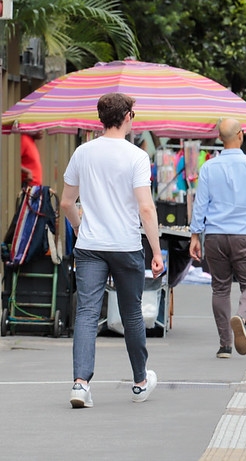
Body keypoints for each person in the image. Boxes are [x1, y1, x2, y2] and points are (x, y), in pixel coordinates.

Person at [61, 92, 164, 408]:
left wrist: (79, 226)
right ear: (129, 116)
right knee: (132, 312)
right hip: (125, 245)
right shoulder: (135, 156)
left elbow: (66, 201)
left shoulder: (83, 152)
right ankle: (139, 382)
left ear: (101, 119)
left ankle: (80, 384)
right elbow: (146, 208)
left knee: (88, 313)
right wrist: (156, 251)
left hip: (90, 245)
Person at [189, 118, 246, 359]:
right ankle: (242, 317)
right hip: (244, 235)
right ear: (240, 135)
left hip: (215, 236)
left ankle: (224, 345)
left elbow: (201, 204)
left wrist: (195, 234)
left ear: (220, 138)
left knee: (220, 288)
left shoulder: (209, 167)